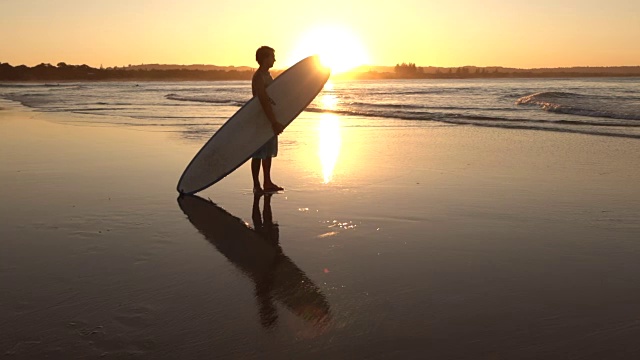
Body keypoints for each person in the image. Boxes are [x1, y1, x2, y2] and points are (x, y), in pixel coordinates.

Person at [251, 46, 285, 194]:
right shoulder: (258, 77)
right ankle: (257, 185)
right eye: (272, 56)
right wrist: (274, 122)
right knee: (258, 153)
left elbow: (272, 98)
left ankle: (267, 181)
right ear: (265, 58)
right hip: (261, 119)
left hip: (269, 118)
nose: (274, 59)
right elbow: (263, 101)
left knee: (268, 152)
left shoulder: (267, 75)